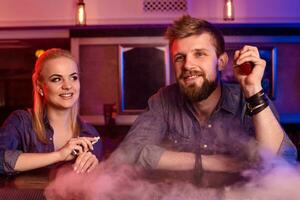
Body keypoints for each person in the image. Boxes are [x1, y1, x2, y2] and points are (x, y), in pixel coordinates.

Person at [108, 15, 297, 183]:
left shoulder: (249, 98)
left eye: (199, 54)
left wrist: (253, 88)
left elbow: (282, 164)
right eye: (180, 57)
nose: (188, 64)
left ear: (221, 62)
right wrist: (209, 162)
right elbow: (128, 155)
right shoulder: (163, 100)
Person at [0, 48, 102, 176]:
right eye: (57, 79)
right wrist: (59, 155)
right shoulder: (21, 122)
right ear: (40, 87)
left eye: (73, 78)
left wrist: (94, 169)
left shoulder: (90, 134)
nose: (68, 86)